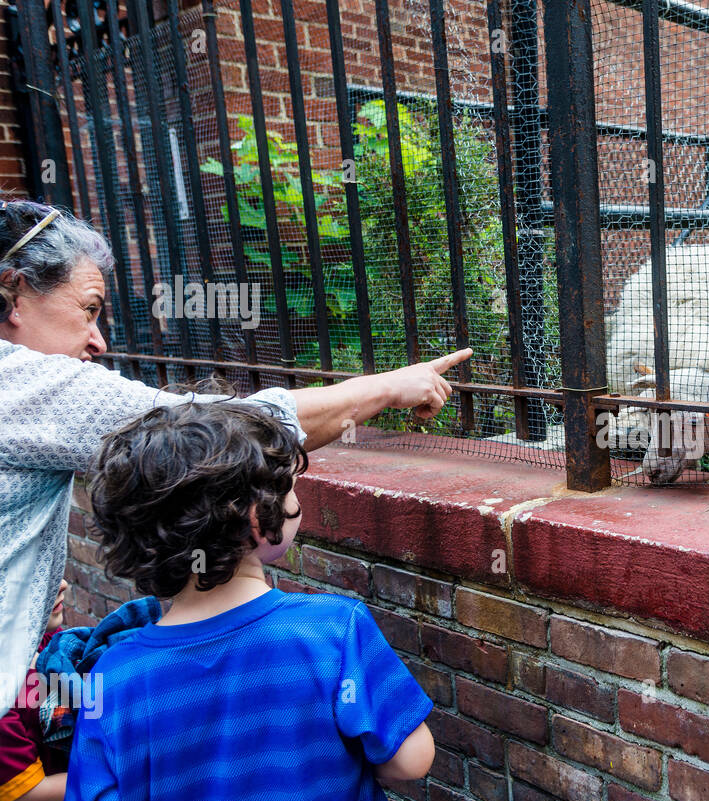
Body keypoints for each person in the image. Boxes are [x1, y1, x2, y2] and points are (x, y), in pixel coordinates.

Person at [0, 196, 471, 715]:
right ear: (15, 292)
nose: (99, 340)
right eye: (88, 309)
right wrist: (389, 387)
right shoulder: (21, 382)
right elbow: (217, 432)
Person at [64, 401, 435, 801]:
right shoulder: (329, 629)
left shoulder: (112, 677)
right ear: (258, 519)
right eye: (290, 490)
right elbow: (412, 759)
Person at [0, 580, 109, 801]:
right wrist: (134, 774)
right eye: (35, 574)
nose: (61, 583)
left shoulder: (44, 639)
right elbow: (29, 798)